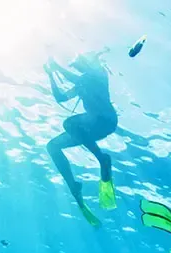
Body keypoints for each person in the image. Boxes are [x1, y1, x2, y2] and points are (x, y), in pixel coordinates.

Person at [44, 53, 118, 227]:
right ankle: (73, 185)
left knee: (69, 124)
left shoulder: (99, 73)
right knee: (52, 146)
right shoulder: (81, 82)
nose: (77, 68)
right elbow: (61, 97)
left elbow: (73, 77)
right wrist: (50, 75)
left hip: (105, 120)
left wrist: (56, 66)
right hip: (90, 126)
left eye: (79, 65)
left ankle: (101, 157)